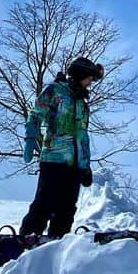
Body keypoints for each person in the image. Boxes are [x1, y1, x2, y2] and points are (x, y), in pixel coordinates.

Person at [19, 56, 104, 239]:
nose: (90, 84)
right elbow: (35, 114)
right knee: (45, 204)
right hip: (54, 159)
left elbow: (83, 137)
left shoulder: (83, 105)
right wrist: (30, 137)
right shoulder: (55, 91)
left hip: (75, 167)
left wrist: (85, 166)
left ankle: (56, 244)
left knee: (66, 210)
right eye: (89, 78)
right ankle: (26, 240)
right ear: (80, 74)